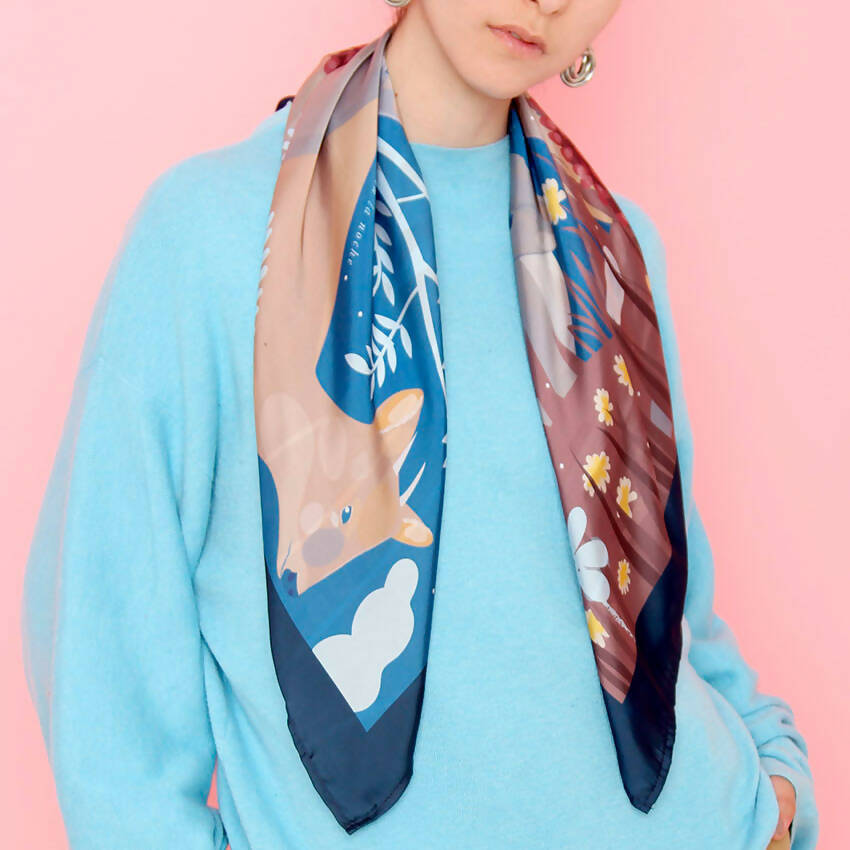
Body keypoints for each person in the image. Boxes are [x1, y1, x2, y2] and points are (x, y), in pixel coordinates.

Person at [19, 1, 818, 848]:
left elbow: (671, 606)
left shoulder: (619, 254)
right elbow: (106, 683)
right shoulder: (211, 237)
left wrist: (774, 776)